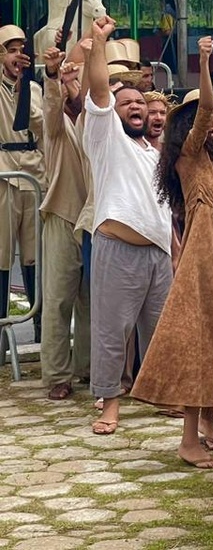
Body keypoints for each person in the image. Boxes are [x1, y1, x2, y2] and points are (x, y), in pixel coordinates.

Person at [133, 35, 213, 469]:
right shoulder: (188, 153)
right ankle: (187, 439)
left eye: (211, 120)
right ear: (184, 124)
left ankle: (208, 423)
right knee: (196, 340)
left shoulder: (212, 156)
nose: (209, 123)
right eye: (197, 118)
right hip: (200, 255)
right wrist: (206, 63)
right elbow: (208, 108)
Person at [82, 16, 174, 437]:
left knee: (161, 332)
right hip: (117, 247)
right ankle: (111, 404)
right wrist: (99, 44)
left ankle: (165, 395)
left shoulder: (155, 153)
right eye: (127, 102)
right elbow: (99, 90)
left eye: (141, 102)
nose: (135, 106)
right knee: (111, 332)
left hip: (158, 254)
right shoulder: (105, 138)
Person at [38, 44, 90, 400]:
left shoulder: (97, 119)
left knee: (92, 300)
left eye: (78, 78)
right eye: (70, 77)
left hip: (96, 219)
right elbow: (53, 108)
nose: (74, 83)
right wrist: (54, 78)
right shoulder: (57, 127)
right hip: (61, 211)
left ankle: (89, 368)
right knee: (58, 299)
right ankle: (57, 374)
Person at [0, 25, 43, 341]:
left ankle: (42, 329)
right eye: (11, 49)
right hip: (3, 174)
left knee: (34, 257)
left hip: (33, 176)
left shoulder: (35, 89)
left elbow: (39, 124)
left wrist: (24, 86)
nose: (19, 56)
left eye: (22, 49)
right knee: (1, 256)